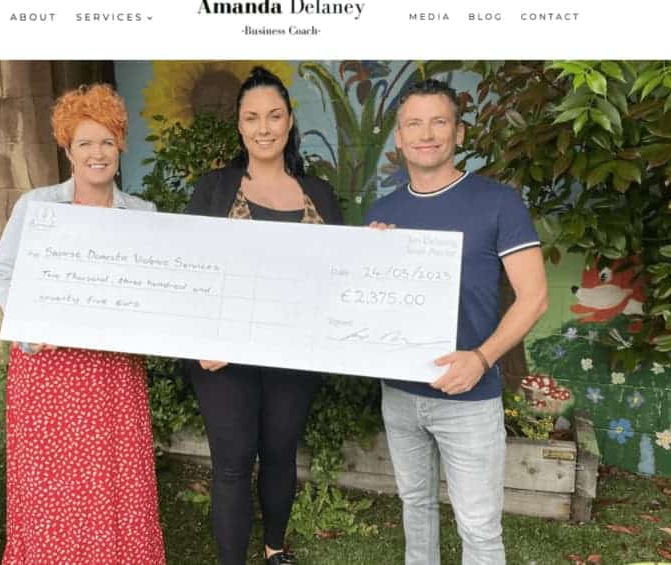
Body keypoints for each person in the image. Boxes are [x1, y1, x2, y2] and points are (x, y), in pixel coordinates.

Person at [366, 79, 549, 565]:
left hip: (469, 398)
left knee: (480, 529)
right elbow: (374, 305)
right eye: (414, 124)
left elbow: (534, 298)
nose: (426, 133)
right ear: (399, 138)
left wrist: (482, 358)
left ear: (459, 133)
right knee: (416, 510)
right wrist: (372, 257)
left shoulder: (498, 202)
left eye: (439, 121)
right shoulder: (384, 213)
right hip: (401, 395)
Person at [0, 83, 166, 564]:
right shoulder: (37, 206)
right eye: (85, 142)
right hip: (49, 374)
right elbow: (0, 275)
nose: (97, 152)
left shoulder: (143, 215)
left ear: (120, 146)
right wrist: (28, 329)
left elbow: (154, 289)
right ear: (67, 148)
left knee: (114, 483)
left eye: (107, 140)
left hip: (112, 372)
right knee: (53, 491)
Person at [182, 66, 344, 565]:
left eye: (274, 115)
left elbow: (340, 271)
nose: (264, 127)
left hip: (294, 353)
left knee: (280, 454)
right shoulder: (214, 188)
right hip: (223, 357)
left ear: (290, 121)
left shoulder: (318, 193)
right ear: (239, 126)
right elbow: (188, 269)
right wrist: (198, 342)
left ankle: (275, 550)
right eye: (252, 117)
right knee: (232, 465)